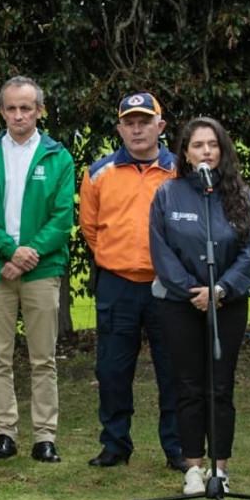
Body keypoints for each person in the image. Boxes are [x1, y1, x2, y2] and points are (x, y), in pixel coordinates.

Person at [148, 116, 250, 495]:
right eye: (198, 145)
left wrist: (221, 289)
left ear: (223, 149)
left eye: (212, 144)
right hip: (181, 304)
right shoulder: (168, 194)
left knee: (221, 387)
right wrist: (191, 290)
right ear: (185, 152)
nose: (206, 151)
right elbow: (160, 249)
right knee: (189, 385)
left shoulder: (242, 196)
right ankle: (193, 468)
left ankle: (220, 469)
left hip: (227, 303)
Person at [79, 92, 185, 471]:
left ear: (161, 126)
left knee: (172, 370)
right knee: (111, 369)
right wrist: (118, 256)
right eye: (130, 122)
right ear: (120, 128)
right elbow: (90, 229)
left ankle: (177, 447)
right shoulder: (98, 173)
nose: (137, 129)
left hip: (169, 287)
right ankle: (115, 444)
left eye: (145, 121)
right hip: (117, 284)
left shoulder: (180, 171)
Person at [0, 76, 74, 463]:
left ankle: (45, 436)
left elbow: (63, 217)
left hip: (41, 269)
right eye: (11, 108)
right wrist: (10, 252)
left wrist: (29, 254)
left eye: (26, 108)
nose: (19, 115)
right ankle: (5, 433)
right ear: (2, 111)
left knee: (43, 358)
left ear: (39, 111)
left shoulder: (58, 156)